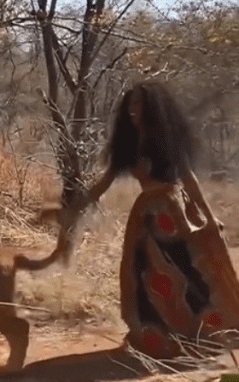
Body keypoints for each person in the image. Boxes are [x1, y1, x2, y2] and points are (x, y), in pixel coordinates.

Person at [56, 80, 239, 359]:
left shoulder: (165, 138)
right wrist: (77, 207)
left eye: (139, 103)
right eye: (131, 104)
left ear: (151, 107)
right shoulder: (127, 143)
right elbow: (104, 182)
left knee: (189, 272)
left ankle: (205, 332)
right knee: (147, 276)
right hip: (146, 218)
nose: (133, 109)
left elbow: (187, 177)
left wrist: (208, 216)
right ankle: (159, 335)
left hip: (176, 213)